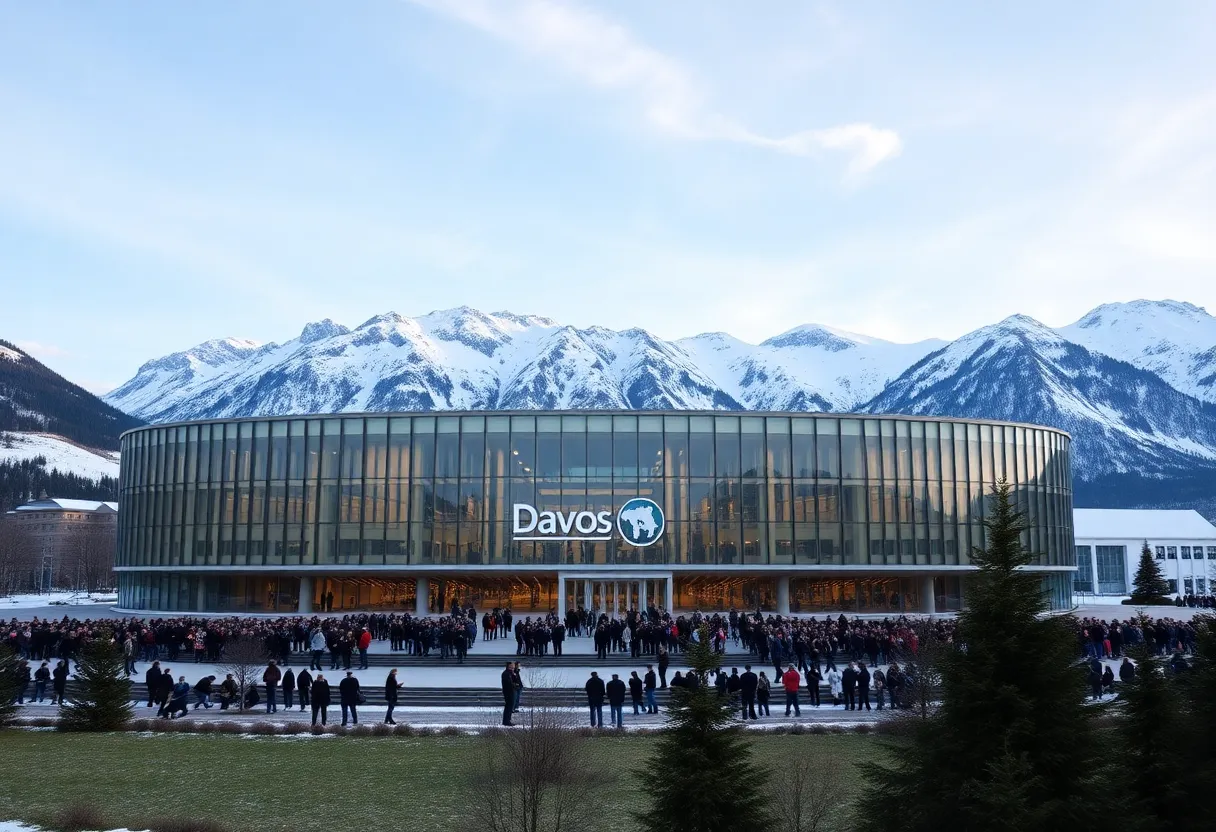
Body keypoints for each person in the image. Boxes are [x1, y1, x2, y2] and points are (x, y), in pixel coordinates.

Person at [500, 662, 515, 727]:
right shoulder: (506, 673)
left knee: (509, 706)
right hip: (508, 691)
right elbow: (509, 683)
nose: (513, 667)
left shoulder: (509, 673)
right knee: (508, 706)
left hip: (510, 691)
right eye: (512, 666)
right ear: (509, 666)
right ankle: (506, 721)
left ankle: (507, 720)